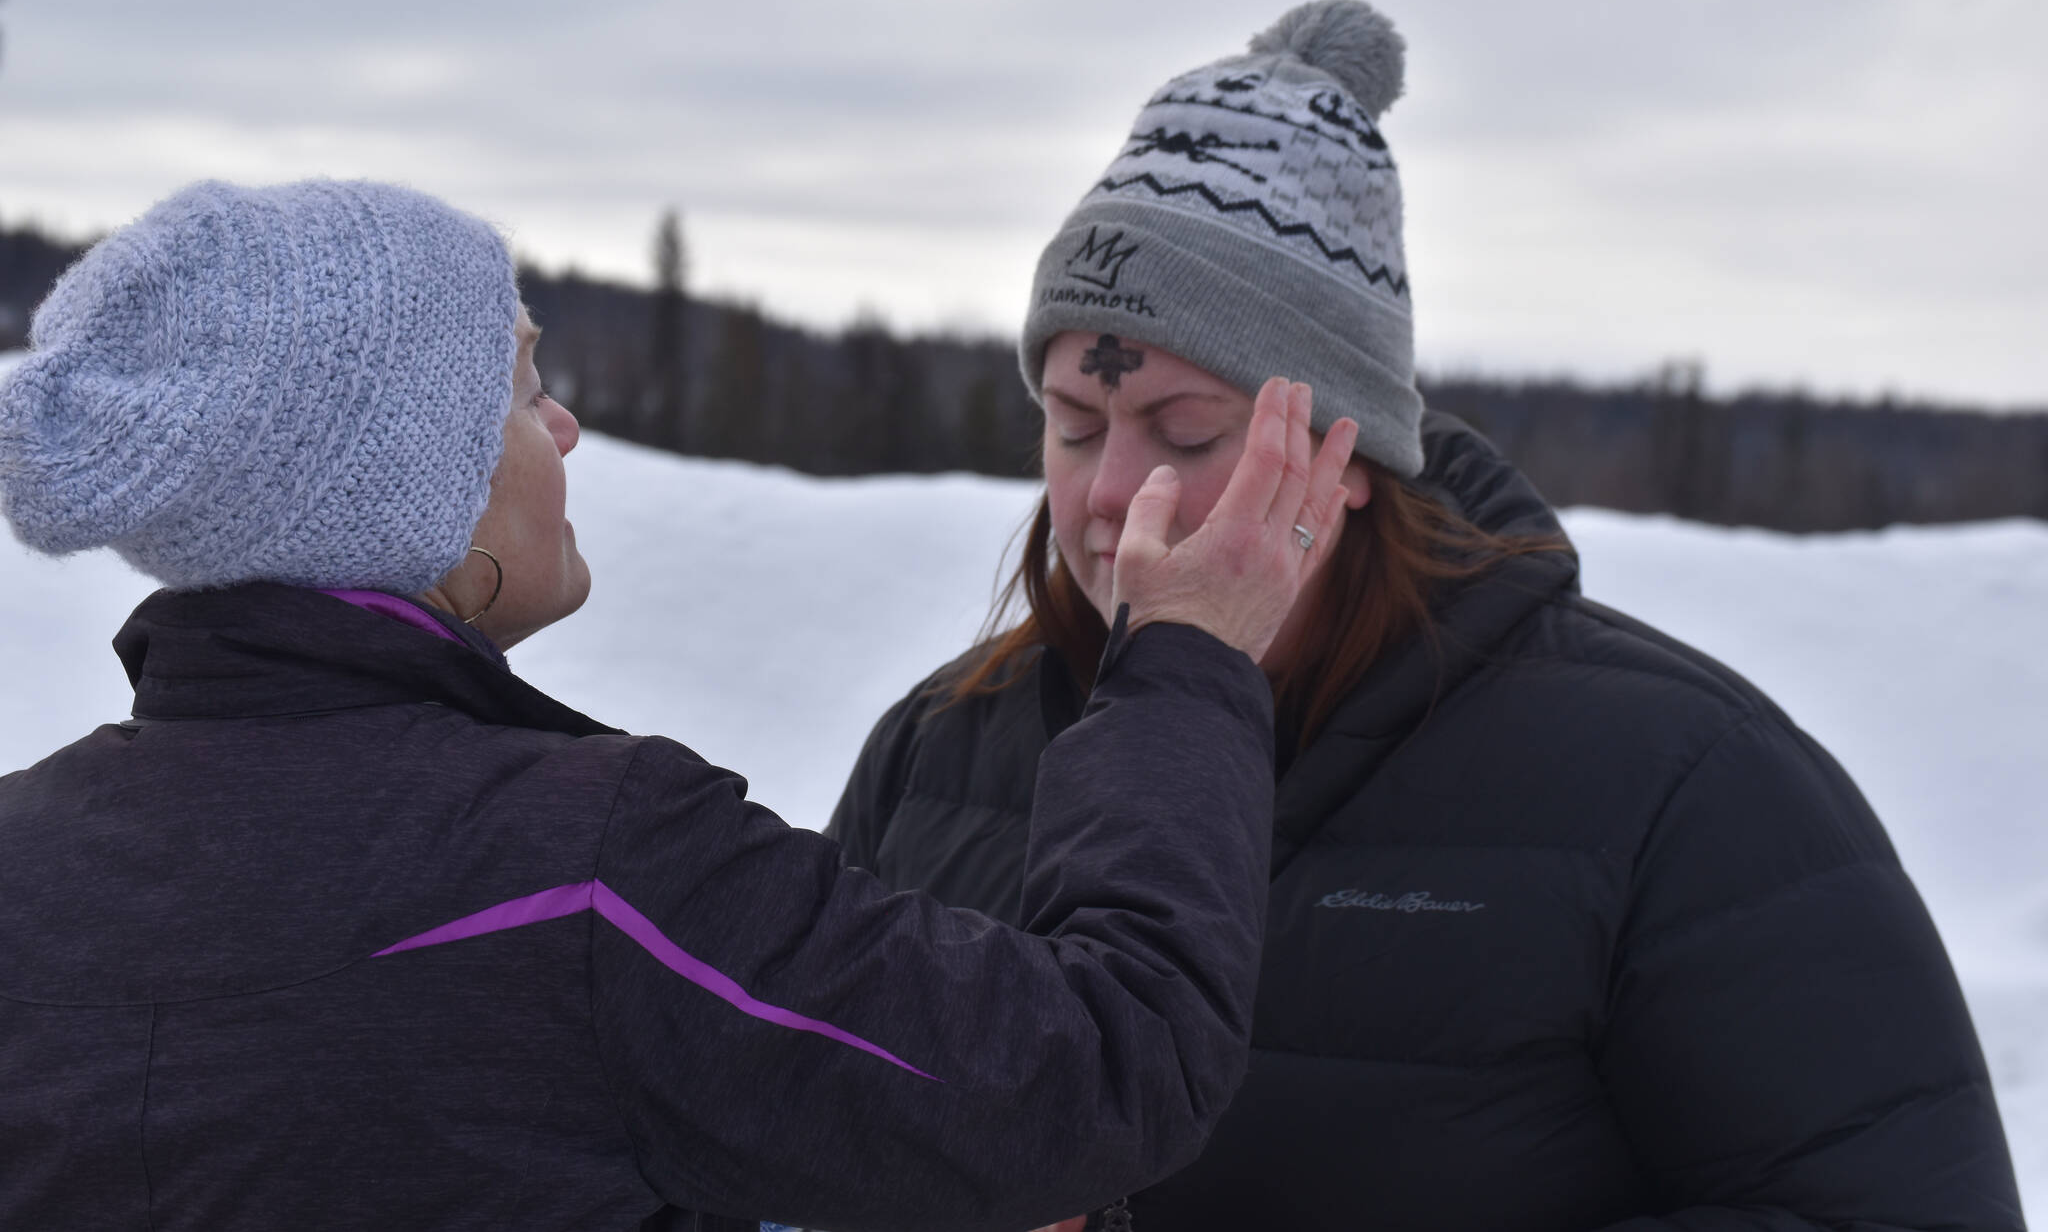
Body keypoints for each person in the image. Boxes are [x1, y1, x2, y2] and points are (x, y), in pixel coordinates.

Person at [829, 0, 2025, 1231]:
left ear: (1347, 457)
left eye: (1186, 433)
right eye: (1074, 426)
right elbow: (788, 1132)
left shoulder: (1677, 781)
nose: (1115, 493)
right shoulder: (939, 757)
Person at [0, 178, 1360, 1232]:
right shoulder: (586, 871)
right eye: (527, 387)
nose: (568, 428)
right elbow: (1108, 1065)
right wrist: (1187, 657)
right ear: (423, 484)